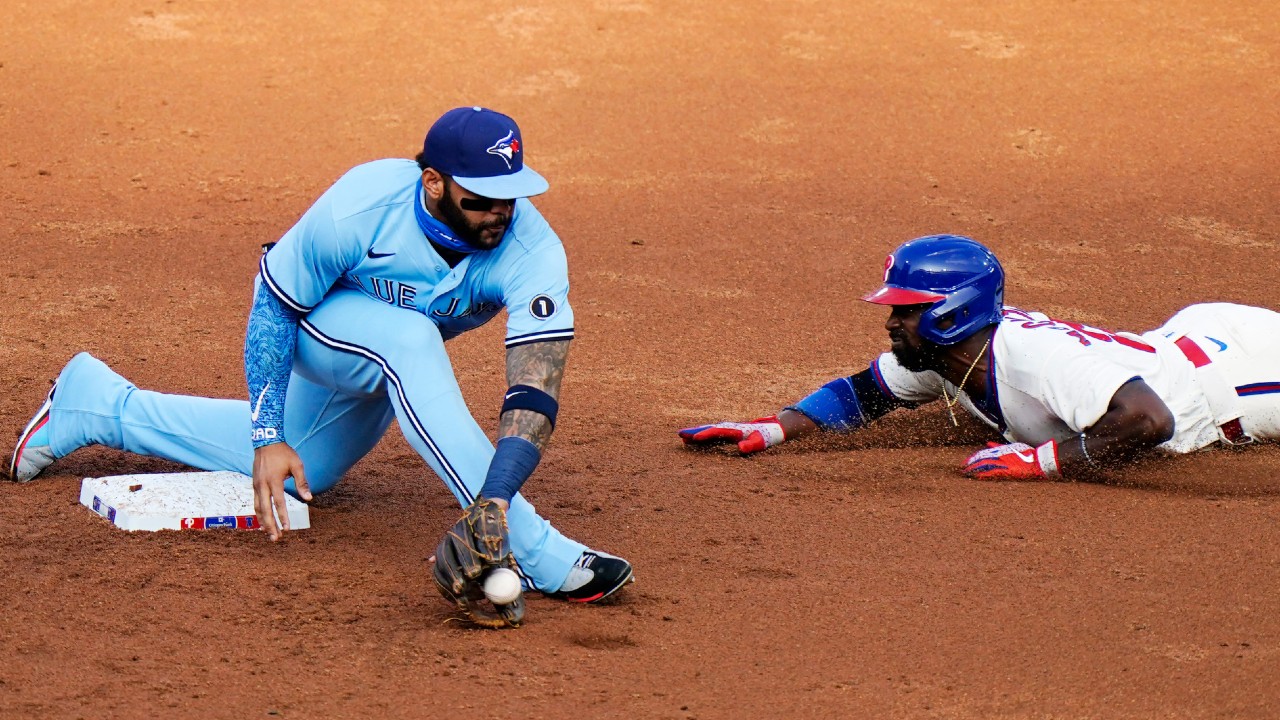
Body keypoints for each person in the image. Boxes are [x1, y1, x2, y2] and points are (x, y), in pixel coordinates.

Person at [9, 106, 633, 617]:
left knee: (310, 465)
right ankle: (540, 552)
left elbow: (534, 390)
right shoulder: (359, 206)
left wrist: (494, 496)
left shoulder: (531, 251)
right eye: (483, 197)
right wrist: (264, 432)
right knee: (408, 341)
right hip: (306, 323)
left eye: (511, 196)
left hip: (374, 353)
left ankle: (99, 404)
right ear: (434, 182)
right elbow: (274, 308)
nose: (501, 211)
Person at [679, 234, 1280, 480]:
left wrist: (1039, 462)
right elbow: (865, 392)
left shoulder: (1033, 359)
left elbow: (1148, 421)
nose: (891, 322)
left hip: (1244, 376)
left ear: (952, 313)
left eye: (905, 310)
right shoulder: (947, 358)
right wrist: (775, 427)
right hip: (1192, 335)